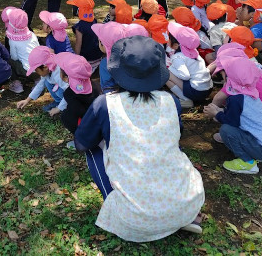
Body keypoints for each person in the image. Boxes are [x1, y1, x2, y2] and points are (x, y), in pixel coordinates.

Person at [74, 36, 205, 242]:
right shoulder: (171, 100)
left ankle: (118, 206)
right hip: (187, 202)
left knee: (92, 149)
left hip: (134, 220)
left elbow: (82, 143)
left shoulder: (105, 104)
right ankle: (179, 214)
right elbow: (177, 134)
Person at [203, 57, 262, 175]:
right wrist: (220, 111)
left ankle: (247, 162)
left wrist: (216, 113)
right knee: (229, 128)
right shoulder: (248, 90)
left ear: (230, 77)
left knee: (226, 130)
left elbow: (232, 122)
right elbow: (239, 115)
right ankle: (252, 152)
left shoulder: (236, 98)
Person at [210, 42, 262, 131]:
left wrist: (213, 112)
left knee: (227, 129)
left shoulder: (236, 80)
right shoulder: (255, 69)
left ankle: (242, 137)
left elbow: (218, 98)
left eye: (221, 72)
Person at [55, 52, 99, 144]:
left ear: (66, 77)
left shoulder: (69, 93)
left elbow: (78, 112)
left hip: (89, 128)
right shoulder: (95, 85)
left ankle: (81, 140)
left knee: (65, 116)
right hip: (100, 122)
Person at [166, 22, 212, 108]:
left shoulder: (178, 57)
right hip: (207, 89)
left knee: (167, 76)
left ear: (176, 45)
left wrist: (170, 71)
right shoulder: (194, 52)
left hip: (197, 91)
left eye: (169, 38)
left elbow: (185, 76)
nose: (167, 40)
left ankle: (185, 100)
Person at [16, 46, 69, 114]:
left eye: (37, 71)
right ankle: (58, 101)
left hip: (73, 92)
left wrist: (58, 109)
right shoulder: (48, 69)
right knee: (47, 82)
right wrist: (27, 100)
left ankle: (65, 105)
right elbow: (40, 85)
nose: (37, 73)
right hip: (63, 87)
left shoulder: (59, 72)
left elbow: (69, 92)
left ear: (45, 67)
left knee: (60, 92)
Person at [5, 8, 39, 93]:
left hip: (27, 71)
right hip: (40, 69)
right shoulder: (32, 34)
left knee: (8, 60)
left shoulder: (13, 40)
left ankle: (16, 83)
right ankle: (38, 81)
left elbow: (14, 57)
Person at [67, 0, 104, 70]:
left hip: (87, 60)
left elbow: (78, 44)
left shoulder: (79, 27)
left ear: (77, 10)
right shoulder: (94, 21)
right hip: (98, 57)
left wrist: (76, 60)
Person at [92, 21, 127, 94]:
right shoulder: (128, 57)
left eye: (99, 41)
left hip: (112, 99)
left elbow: (106, 87)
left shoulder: (105, 63)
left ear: (104, 44)